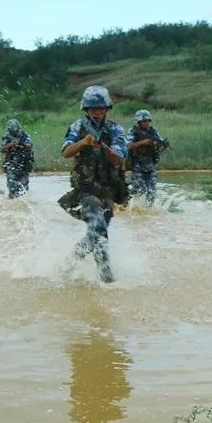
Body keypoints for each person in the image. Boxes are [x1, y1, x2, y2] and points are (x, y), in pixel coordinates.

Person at [58, 85, 129, 283]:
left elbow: (118, 159)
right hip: (86, 191)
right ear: (86, 109)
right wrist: (83, 143)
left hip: (108, 191)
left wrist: (104, 147)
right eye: (93, 108)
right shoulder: (77, 127)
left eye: (101, 108)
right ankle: (106, 277)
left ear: (107, 109)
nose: (97, 112)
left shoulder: (115, 129)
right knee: (98, 228)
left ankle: (70, 263)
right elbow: (65, 152)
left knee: (97, 233)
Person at [126, 109, 169, 207]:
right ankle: (127, 200)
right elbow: (127, 145)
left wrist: (162, 145)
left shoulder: (153, 131)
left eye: (147, 121)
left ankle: (148, 210)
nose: (146, 123)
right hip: (137, 164)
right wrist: (143, 142)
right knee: (139, 190)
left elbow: (159, 144)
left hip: (150, 164)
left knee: (152, 191)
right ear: (139, 122)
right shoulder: (133, 132)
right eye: (144, 121)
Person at [0, 119, 34, 198]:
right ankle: (12, 202)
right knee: (12, 186)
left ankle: (20, 205)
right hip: (11, 164)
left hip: (24, 165)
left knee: (23, 188)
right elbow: (2, 149)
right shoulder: (7, 136)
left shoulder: (25, 135)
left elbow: (29, 146)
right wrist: (11, 144)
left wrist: (21, 144)